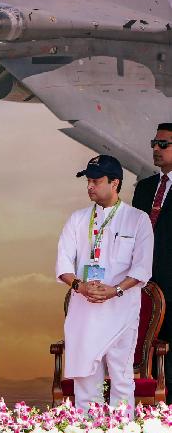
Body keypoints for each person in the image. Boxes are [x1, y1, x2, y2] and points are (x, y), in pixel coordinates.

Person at [56, 155, 153, 415]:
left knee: (121, 380)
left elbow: (142, 268)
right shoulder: (77, 219)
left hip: (121, 310)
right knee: (86, 382)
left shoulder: (137, 219)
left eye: (96, 181)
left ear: (115, 183)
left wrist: (115, 290)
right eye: (88, 181)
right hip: (84, 309)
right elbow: (63, 263)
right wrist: (79, 286)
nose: (90, 186)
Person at [132, 123, 172, 401]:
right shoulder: (145, 188)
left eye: (163, 145)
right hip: (144, 286)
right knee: (149, 354)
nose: (156, 149)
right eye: (154, 144)